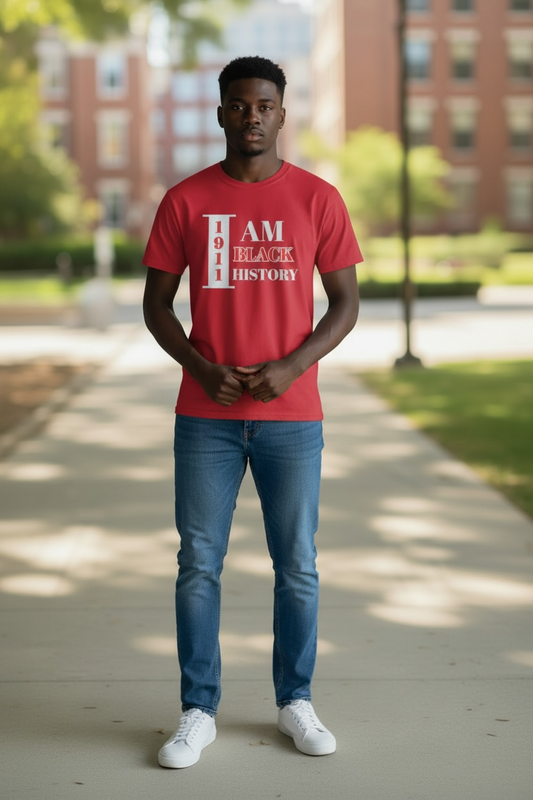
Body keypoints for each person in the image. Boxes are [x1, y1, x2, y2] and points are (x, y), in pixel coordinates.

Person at [143, 55, 363, 769]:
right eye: (238, 105)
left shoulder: (317, 199)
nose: (251, 116)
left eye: (264, 104)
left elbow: (346, 303)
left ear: (281, 111)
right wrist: (201, 365)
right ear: (219, 113)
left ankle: (294, 701)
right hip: (203, 415)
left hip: (292, 415)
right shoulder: (185, 201)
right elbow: (156, 305)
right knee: (197, 564)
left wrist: (293, 365)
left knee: (296, 565)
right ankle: (196, 711)